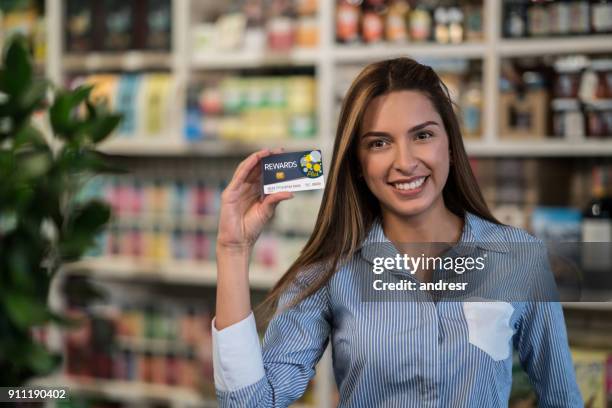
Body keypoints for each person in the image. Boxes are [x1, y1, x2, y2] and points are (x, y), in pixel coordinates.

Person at [212, 58, 582, 407]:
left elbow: (563, 399)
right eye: (379, 143)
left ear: (450, 146)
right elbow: (251, 403)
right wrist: (233, 249)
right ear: (358, 163)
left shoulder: (519, 257)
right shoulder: (330, 270)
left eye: (422, 135)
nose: (405, 163)